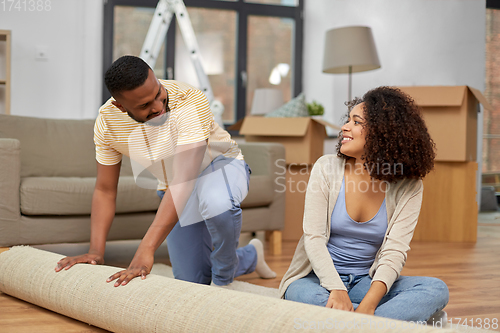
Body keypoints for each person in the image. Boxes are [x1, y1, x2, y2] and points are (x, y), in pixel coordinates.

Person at [55, 55, 276, 287]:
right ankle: (251, 256)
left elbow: (184, 178)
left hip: (221, 166)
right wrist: (95, 252)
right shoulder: (107, 124)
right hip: (174, 188)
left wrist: (146, 249)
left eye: (158, 94)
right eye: (144, 106)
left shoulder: (189, 99)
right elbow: (105, 190)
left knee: (216, 201)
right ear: (120, 106)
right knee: (191, 281)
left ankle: (222, 284)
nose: (159, 107)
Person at [279, 86, 449, 322]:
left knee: (435, 289)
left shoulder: (408, 186)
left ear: (383, 133)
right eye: (348, 120)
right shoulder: (326, 168)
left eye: (356, 122)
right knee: (299, 292)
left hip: (365, 282)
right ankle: (389, 322)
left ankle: (351, 320)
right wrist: (337, 290)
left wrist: (369, 304)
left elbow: (394, 252)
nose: (344, 127)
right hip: (317, 279)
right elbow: (313, 237)